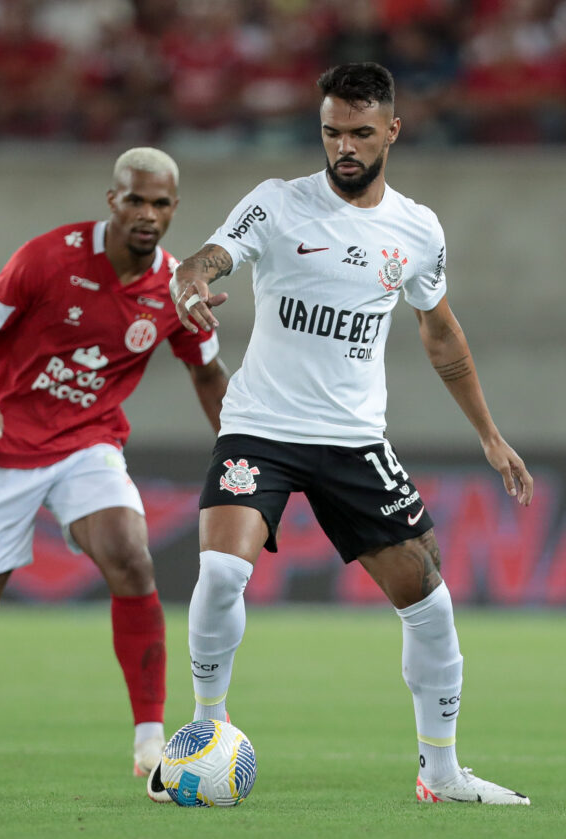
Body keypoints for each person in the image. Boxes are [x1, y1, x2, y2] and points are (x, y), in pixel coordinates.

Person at [148, 61, 533, 806]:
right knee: (222, 572)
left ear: (393, 129)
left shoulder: (417, 231)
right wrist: (190, 279)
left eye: (360, 133)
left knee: (428, 599)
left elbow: (442, 335)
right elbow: (209, 255)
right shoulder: (278, 203)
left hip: (354, 439)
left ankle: (442, 771)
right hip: (259, 426)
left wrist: (488, 433)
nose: (344, 147)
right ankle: (202, 733)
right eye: (332, 132)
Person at [0, 147, 229, 780]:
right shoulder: (49, 258)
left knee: (131, 556)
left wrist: (237, 453)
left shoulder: (175, 287)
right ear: (113, 200)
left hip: (87, 444)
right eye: (136, 200)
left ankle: (151, 741)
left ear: (175, 209)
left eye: (161, 203)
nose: (148, 214)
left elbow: (208, 373)